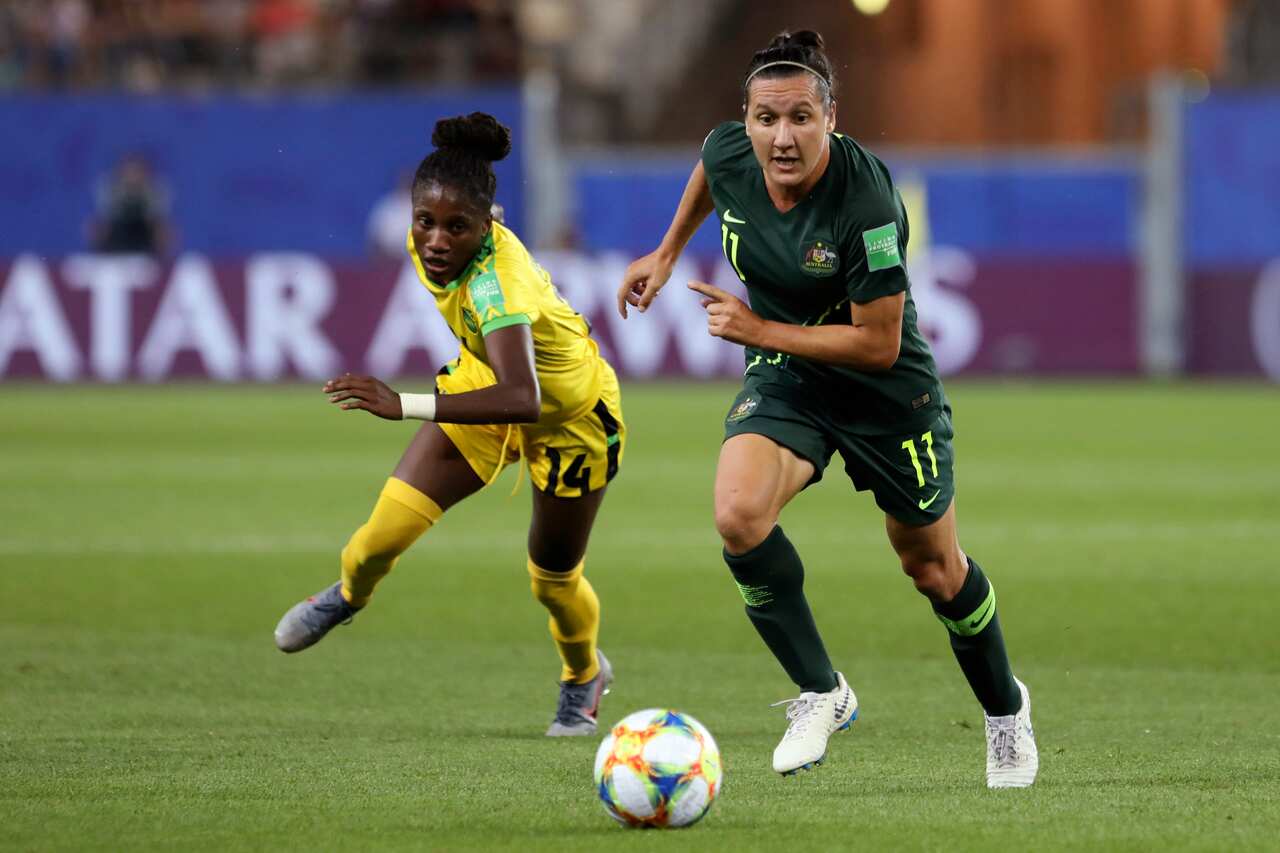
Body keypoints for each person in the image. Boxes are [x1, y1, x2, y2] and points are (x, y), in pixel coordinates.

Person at [616, 30, 1038, 787]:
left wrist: (752, 328)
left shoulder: (868, 203)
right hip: (790, 377)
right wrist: (668, 250)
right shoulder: (729, 151)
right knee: (738, 515)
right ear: (745, 121)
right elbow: (711, 171)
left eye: (801, 118)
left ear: (831, 118)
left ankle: (1006, 708)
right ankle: (822, 691)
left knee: (935, 569)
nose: (782, 137)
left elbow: (878, 344)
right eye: (766, 119)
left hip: (885, 394)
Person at [276, 112, 626, 737]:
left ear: (488, 225)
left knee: (552, 579)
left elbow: (523, 397)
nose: (436, 240)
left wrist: (403, 402)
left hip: (571, 420)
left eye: (456, 227)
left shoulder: (498, 284)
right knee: (378, 536)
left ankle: (583, 676)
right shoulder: (428, 242)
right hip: (480, 387)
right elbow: (504, 385)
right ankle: (349, 595)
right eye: (426, 222)